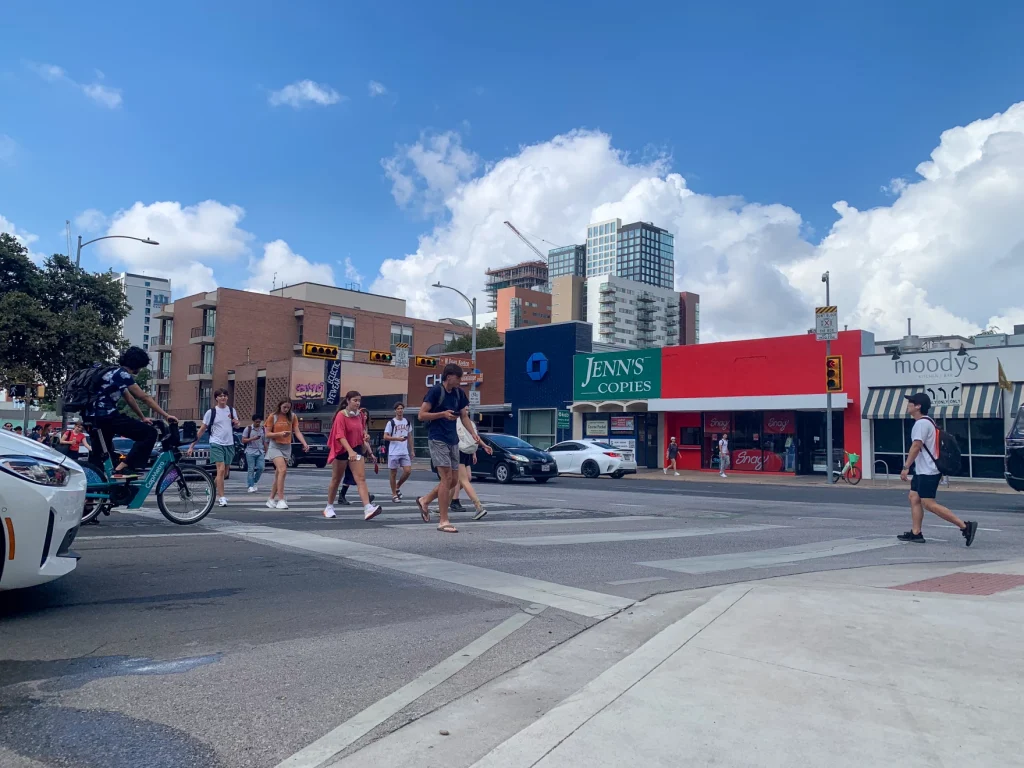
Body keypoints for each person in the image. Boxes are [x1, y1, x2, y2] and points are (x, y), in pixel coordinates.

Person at [83, 347, 177, 478]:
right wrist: (166, 415)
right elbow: (144, 397)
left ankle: (92, 494)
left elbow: (129, 398)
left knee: (100, 455)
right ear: (137, 364)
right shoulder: (122, 374)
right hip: (106, 416)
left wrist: (142, 417)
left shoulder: (111, 372)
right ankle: (125, 467)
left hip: (91, 418)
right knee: (149, 433)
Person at [416, 362, 487, 534]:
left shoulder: (458, 394)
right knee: (447, 478)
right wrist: (442, 414)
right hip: (437, 438)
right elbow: (421, 415)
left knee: (454, 480)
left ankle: (425, 500)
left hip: (453, 440)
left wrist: (473, 435)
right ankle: (443, 520)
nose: (461, 381)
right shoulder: (436, 391)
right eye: (459, 377)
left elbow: (463, 416)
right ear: (449, 377)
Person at [898, 393, 977, 545]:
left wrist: (906, 466)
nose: (908, 405)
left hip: (928, 471)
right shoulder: (927, 422)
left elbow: (916, 446)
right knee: (914, 497)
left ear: (918, 406)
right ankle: (916, 533)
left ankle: (965, 526)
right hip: (922, 470)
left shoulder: (921, 424)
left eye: (910, 403)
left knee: (928, 503)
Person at [324, 391, 382, 520]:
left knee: (360, 478)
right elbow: (340, 436)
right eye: (355, 400)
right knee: (336, 479)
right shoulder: (341, 415)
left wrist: (365, 436)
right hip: (342, 449)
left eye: (359, 400)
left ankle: (368, 508)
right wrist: (349, 451)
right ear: (348, 401)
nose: (357, 403)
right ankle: (329, 506)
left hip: (356, 448)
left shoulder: (360, 415)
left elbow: (361, 430)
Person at [188, 388, 238, 507]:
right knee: (220, 470)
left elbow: (235, 426)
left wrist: (236, 423)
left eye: (225, 395)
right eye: (220, 396)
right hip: (216, 443)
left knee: (225, 473)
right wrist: (192, 446)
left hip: (229, 443)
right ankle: (222, 497)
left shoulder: (231, 410)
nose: (223, 398)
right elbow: (202, 430)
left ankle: (210, 488)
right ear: (216, 398)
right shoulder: (211, 412)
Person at [265, 400, 307, 510]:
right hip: (275, 446)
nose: (286, 409)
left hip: (287, 446)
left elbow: (297, 431)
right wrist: (280, 434)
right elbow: (267, 433)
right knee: (283, 470)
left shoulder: (292, 416)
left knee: (279, 473)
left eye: (288, 407)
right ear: (280, 406)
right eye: (284, 407)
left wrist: (304, 443)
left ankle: (270, 499)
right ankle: (281, 499)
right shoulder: (273, 416)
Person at [384, 403, 414, 503]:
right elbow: (386, 436)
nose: (400, 410)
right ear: (395, 410)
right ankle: (394, 494)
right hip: (394, 451)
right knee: (393, 473)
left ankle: (397, 486)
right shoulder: (391, 422)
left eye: (401, 409)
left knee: (408, 471)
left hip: (404, 451)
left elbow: (409, 436)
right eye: (398, 409)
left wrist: (412, 450)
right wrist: (397, 439)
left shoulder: (407, 422)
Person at [242, 415, 267, 493]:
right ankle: (250, 485)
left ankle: (254, 481)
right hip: (250, 451)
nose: (258, 423)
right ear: (253, 421)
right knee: (251, 469)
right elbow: (243, 440)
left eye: (259, 422)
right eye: (256, 422)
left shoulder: (263, 429)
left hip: (260, 451)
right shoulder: (248, 429)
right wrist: (253, 438)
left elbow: (265, 441)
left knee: (261, 467)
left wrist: (267, 451)